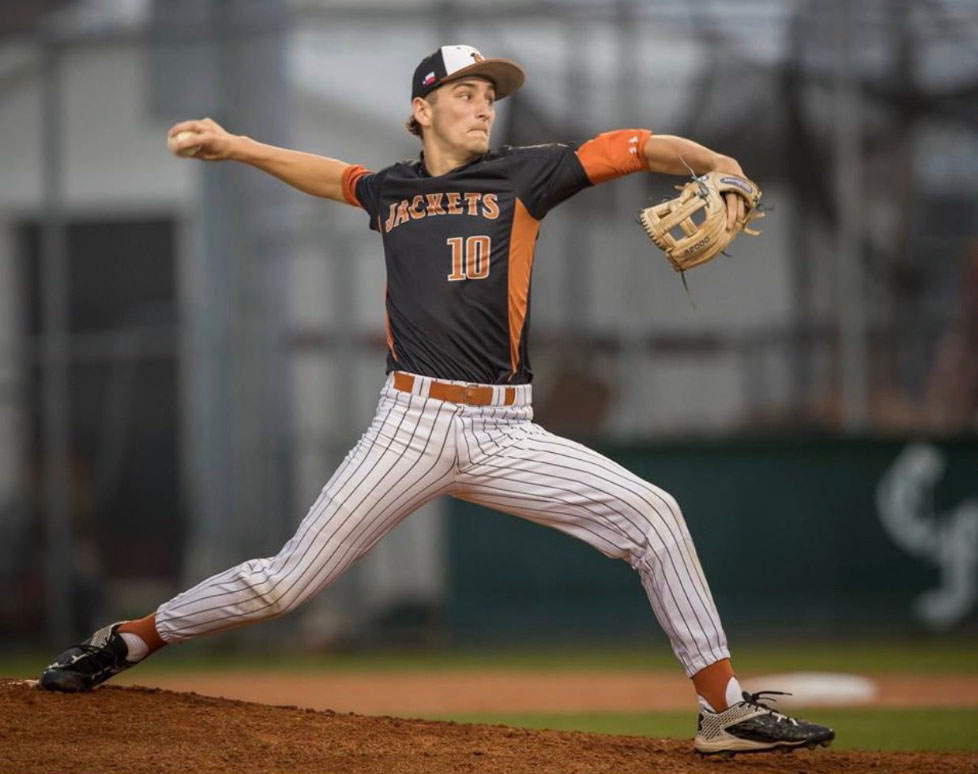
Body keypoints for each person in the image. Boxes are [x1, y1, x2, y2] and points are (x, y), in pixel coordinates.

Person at [39, 44, 834, 757]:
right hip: (410, 424)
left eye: (490, 93)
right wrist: (235, 145)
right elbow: (328, 174)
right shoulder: (392, 191)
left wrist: (720, 161)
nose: (484, 103)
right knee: (284, 585)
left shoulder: (527, 174)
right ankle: (134, 639)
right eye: (465, 92)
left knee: (655, 514)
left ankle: (723, 712)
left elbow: (634, 146)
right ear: (422, 110)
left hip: (503, 428)